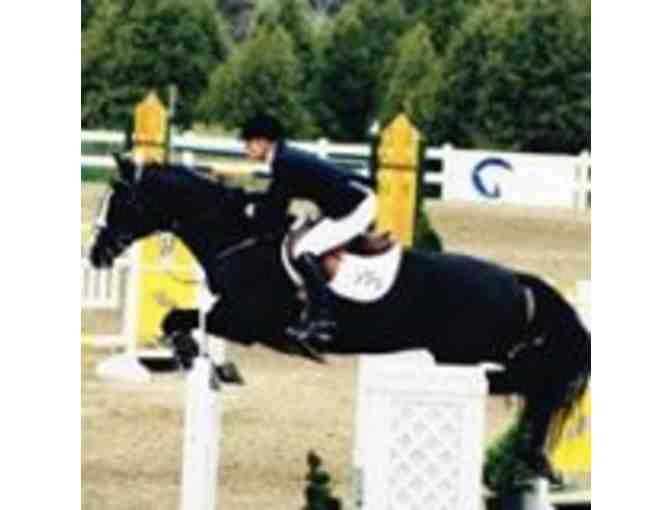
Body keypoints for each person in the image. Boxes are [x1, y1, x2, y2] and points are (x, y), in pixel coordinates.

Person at [241, 113, 377, 344]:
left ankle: (322, 318)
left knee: (303, 250)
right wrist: (250, 201)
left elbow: (275, 207)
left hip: (354, 208)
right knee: (302, 239)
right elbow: (276, 197)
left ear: (263, 142)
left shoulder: (283, 161)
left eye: (249, 143)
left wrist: (251, 210)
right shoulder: (284, 156)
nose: (246, 149)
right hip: (345, 201)